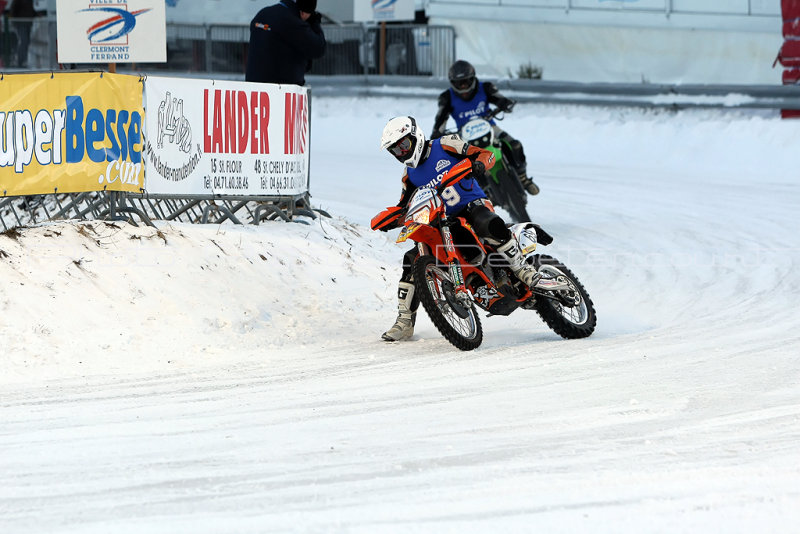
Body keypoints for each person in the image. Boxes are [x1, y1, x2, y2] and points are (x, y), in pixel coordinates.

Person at [374, 116, 540, 342]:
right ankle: (404, 321)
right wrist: (390, 219)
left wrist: (480, 163)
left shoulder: (445, 144)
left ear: (416, 136)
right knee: (411, 259)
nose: (402, 152)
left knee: (485, 221)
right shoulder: (408, 175)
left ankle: (523, 270)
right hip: (441, 223)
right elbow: (405, 205)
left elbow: (484, 153)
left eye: (404, 145)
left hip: (472, 206)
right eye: (395, 150)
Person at [431, 59, 540, 196]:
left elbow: (499, 98)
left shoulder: (486, 87)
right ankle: (479, 189)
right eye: (459, 83)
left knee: (515, 145)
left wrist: (505, 103)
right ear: (453, 83)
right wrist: (437, 133)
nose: (463, 87)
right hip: (464, 135)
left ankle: (523, 178)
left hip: (490, 128)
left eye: (466, 82)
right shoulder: (446, 98)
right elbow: (441, 118)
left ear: (473, 78)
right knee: (461, 164)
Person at [245, 0, 326, 86]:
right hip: (281, 91)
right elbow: (318, 48)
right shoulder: (292, 21)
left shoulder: (262, 14)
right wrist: (314, 22)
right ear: (303, 12)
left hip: (253, 90)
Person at [9, 0, 36, 68]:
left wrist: (36, 14)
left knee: (27, 42)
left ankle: (24, 60)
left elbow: (31, 10)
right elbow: (13, 10)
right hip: (20, 23)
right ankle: (19, 61)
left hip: (28, 23)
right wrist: (14, 22)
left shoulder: (30, 1)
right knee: (23, 41)